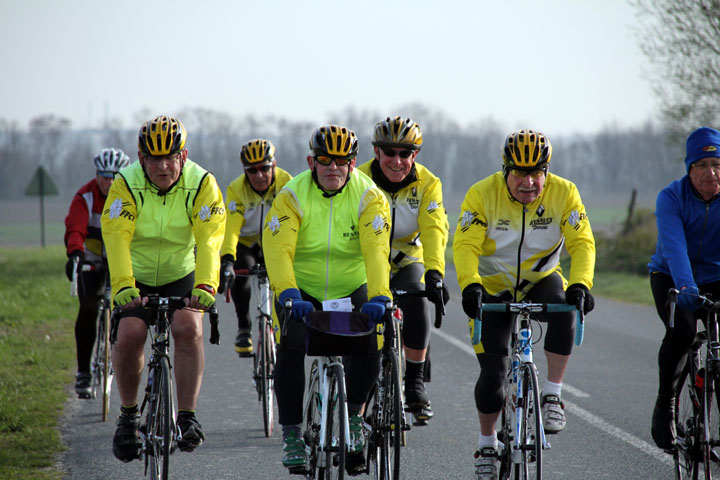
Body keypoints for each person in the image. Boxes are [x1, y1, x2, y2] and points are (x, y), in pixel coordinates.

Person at [453, 129, 595, 480]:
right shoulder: (482, 194)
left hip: (540, 279)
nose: (529, 182)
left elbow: (582, 243)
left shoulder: (565, 193)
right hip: (492, 286)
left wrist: (581, 284)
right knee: (494, 375)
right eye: (520, 172)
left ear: (547, 171)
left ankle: (551, 395)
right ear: (505, 170)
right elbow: (465, 246)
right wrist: (471, 286)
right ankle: (487, 443)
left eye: (537, 173)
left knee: (565, 308)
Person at [262, 125, 392, 475]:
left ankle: (354, 417)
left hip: (351, 285)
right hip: (301, 287)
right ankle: (291, 434)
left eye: (342, 161)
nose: (333, 168)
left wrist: (380, 295)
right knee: (290, 347)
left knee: (373, 340)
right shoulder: (291, 195)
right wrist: (288, 292)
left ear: (353, 164)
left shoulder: (370, 197)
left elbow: (377, 251)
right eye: (324, 161)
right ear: (311, 161)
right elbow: (278, 248)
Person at [101, 115, 225, 462]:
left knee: (188, 328)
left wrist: (205, 284)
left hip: (181, 272)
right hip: (136, 275)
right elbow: (116, 234)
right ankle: (128, 417)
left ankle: (186, 416)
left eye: (170, 157)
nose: (163, 166)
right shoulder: (126, 183)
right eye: (154, 159)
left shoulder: (202, 184)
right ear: (142, 159)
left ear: (182, 156)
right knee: (129, 334)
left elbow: (210, 237)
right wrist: (124, 285)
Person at [356, 116, 450, 424]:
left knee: (417, 300)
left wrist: (435, 273)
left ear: (415, 155)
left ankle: (415, 384)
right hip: (366, 258)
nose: (397, 161)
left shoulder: (428, 183)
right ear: (376, 152)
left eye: (405, 153)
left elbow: (435, 230)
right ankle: (356, 392)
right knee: (361, 317)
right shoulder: (358, 180)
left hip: (408, 256)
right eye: (389, 152)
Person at [648, 126, 720, 450]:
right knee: (683, 330)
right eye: (702, 166)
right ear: (689, 169)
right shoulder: (671, 198)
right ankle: (666, 403)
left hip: (716, 276)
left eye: (717, 164)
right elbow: (674, 248)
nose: (711, 172)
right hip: (672, 276)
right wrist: (687, 286)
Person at [64, 148, 131, 398]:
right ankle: (83, 371)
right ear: (97, 175)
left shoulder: (131, 196)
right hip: (91, 254)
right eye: (104, 176)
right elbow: (75, 229)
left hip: (119, 254)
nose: (109, 182)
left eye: (115, 176)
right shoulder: (85, 197)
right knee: (88, 308)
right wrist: (75, 255)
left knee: (125, 305)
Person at [217, 139, 292, 356]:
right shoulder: (236, 189)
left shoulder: (288, 184)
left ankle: (283, 328)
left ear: (274, 165)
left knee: (283, 277)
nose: (258, 175)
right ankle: (244, 327)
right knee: (240, 270)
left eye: (264, 168)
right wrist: (227, 261)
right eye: (252, 170)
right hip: (246, 244)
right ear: (245, 171)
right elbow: (230, 230)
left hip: (275, 242)